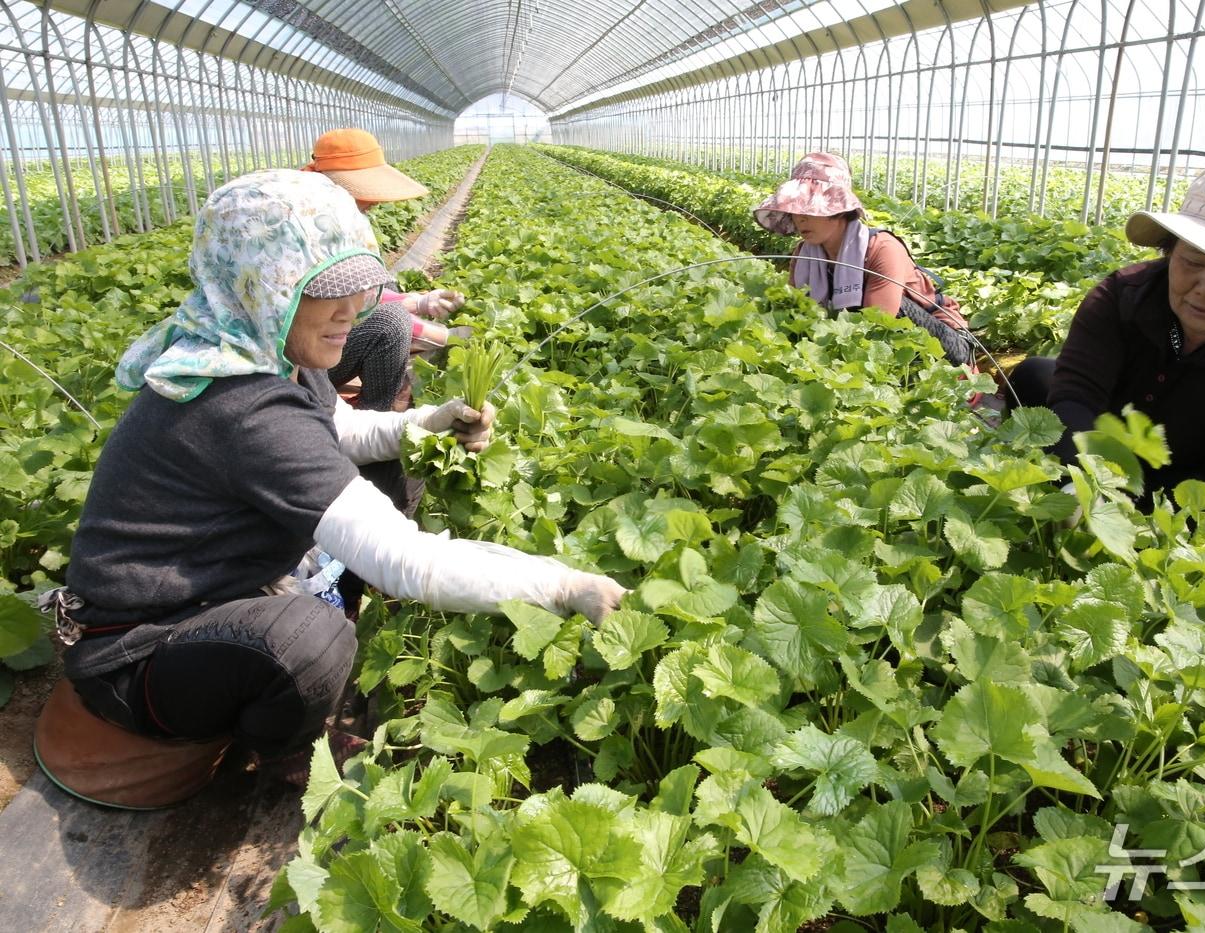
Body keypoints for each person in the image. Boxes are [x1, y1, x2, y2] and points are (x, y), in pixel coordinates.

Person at [41, 170, 625, 795]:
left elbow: (338, 431)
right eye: (324, 291)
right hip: (138, 654)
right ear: (266, 287)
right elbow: (408, 562)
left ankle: (309, 623)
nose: (352, 310)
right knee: (308, 643)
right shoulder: (241, 406)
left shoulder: (267, 349)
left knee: (395, 468)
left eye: (357, 285)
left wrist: (428, 424)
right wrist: (563, 586)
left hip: (220, 592)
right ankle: (289, 754)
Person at [1005, 163, 1205, 516]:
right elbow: (1076, 396)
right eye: (1193, 262)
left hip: (1198, 475)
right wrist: (1081, 483)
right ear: (1171, 251)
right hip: (1113, 450)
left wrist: (1117, 515)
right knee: (1033, 377)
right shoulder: (1122, 295)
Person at [753, 152, 978, 370]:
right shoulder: (803, 254)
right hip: (877, 348)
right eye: (795, 208)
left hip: (946, 344)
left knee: (890, 308)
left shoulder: (881, 248)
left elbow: (878, 326)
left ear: (838, 210)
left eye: (810, 209)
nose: (800, 218)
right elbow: (797, 315)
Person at [303, 127, 467, 413]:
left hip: (317, 341)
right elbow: (354, 302)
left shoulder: (333, 215)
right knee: (390, 323)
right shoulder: (312, 227)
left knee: (387, 287)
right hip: (301, 362)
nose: (374, 201)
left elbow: (368, 291)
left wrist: (418, 302)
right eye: (364, 191)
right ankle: (374, 411)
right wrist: (432, 328)